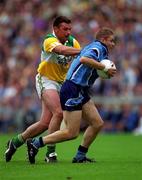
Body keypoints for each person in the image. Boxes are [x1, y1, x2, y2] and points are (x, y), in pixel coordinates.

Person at [26, 27, 117, 164]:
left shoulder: (99, 49)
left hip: (80, 89)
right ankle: (36, 143)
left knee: (97, 123)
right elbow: (84, 59)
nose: (113, 44)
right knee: (71, 132)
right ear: (103, 39)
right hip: (72, 88)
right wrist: (104, 68)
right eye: (111, 41)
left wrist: (103, 70)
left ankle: (80, 156)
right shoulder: (99, 48)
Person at [5, 16, 80, 163]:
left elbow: (79, 58)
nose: (68, 32)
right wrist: (82, 51)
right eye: (65, 29)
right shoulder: (49, 40)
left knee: (44, 123)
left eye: (70, 29)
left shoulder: (73, 42)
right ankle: (50, 154)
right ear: (56, 29)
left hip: (62, 83)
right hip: (46, 80)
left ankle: (15, 142)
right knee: (58, 113)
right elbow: (62, 50)